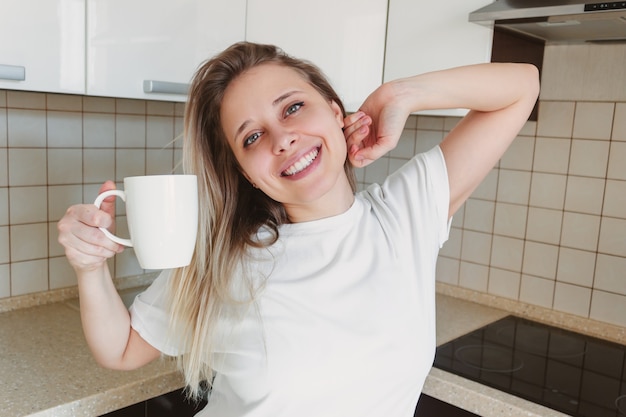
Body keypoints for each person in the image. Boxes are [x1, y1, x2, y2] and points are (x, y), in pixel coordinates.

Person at [57, 41, 539, 416]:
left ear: (335, 110)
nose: (283, 138)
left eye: (292, 108)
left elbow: (521, 85)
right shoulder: (226, 257)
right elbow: (121, 349)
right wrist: (89, 265)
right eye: (252, 137)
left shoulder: (406, 213)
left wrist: (399, 94)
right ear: (247, 172)